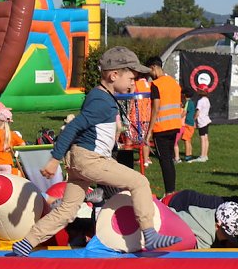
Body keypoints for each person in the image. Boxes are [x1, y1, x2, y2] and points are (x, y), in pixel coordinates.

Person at [10, 47, 181, 257]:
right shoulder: (101, 101)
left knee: (66, 211)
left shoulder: (101, 96)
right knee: (139, 182)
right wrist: (54, 159)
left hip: (80, 160)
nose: (133, 82)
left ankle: (27, 242)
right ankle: (150, 233)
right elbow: (74, 127)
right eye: (131, 77)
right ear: (114, 75)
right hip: (90, 160)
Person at [145, 57, 183, 193]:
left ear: (153, 67)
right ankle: (171, 190)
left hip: (161, 128)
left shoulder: (156, 84)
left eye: (149, 71)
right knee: (169, 160)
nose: (150, 75)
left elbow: (155, 108)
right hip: (174, 125)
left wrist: (149, 131)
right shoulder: (173, 82)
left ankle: (169, 192)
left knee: (164, 161)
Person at [168, 200, 238, 249]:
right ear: (217, 225)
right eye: (226, 236)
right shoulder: (206, 238)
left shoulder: (207, 214)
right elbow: (199, 259)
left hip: (168, 212)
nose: (226, 239)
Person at [175, 89, 197, 162]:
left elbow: (184, 112)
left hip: (187, 123)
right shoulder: (191, 103)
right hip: (191, 123)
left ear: (184, 95)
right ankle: (189, 154)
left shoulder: (187, 102)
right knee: (189, 139)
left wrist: (179, 118)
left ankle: (187, 156)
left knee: (186, 140)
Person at [193, 84, 212, 163]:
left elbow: (198, 112)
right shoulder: (207, 100)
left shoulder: (200, 101)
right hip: (206, 120)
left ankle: (202, 156)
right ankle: (205, 155)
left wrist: (193, 120)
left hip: (202, 121)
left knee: (202, 138)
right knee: (206, 138)